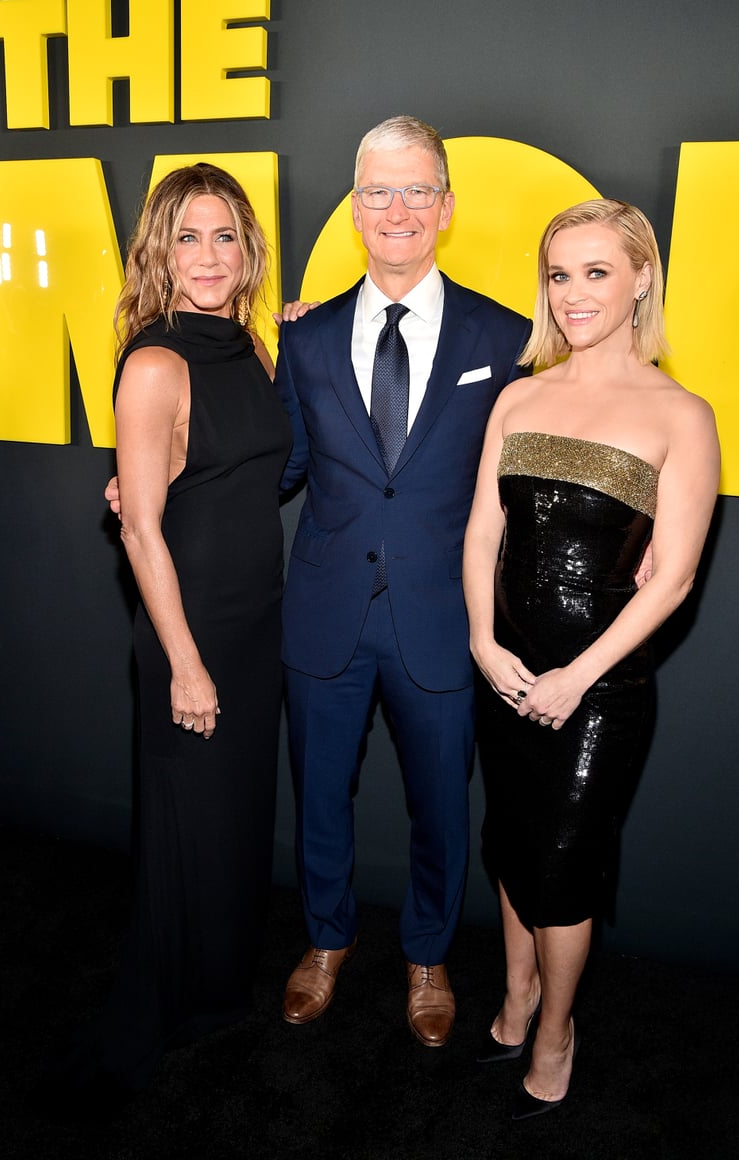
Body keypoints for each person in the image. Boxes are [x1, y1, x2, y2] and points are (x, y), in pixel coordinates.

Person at [274, 116, 531, 1046]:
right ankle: (326, 941)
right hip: (324, 615)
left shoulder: (505, 338)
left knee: (442, 806)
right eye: (377, 189)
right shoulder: (302, 341)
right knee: (319, 798)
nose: (397, 209)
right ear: (352, 208)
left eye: (417, 189)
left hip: (441, 619)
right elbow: (280, 470)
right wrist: (163, 473)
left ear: (447, 206)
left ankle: (429, 956)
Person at [462, 199, 719, 1116]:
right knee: (508, 842)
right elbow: (483, 527)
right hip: (507, 669)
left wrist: (578, 677)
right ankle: (519, 992)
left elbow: (675, 578)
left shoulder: (680, 414)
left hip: (601, 687)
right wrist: (484, 643)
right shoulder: (520, 395)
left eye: (597, 272)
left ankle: (558, 1031)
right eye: (560, 274)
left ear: (642, 277)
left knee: (564, 867)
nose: (573, 294)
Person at [58, 163, 292, 1105]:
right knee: (186, 826)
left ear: (247, 251)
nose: (207, 256)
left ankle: (218, 988)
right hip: (189, 630)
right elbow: (144, 527)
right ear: (160, 249)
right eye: (188, 237)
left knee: (233, 819)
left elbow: (241, 476)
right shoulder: (155, 362)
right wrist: (185, 663)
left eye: (224, 236)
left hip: (255, 620)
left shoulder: (252, 347)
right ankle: (172, 998)